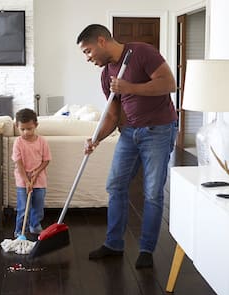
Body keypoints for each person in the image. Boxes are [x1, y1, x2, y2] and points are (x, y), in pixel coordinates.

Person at [76, 24, 178, 268]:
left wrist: (130, 88)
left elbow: (169, 84)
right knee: (115, 185)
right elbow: (112, 116)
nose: (88, 58)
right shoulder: (105, 75)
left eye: (88, 51)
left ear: (101, 41)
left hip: (159, 130)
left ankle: (146, 250)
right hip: (129, 132)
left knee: (153, 192)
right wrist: (96, 138)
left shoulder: (142, 52)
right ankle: (113, 244)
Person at [12, 108, 51, 240]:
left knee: (38, 207)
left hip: (39, 180)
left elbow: (46, 160)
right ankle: (19, 231)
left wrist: (37, 172)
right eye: (22, 129)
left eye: (29, 129)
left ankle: (35, 225)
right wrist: (27, 181)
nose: (26, 132)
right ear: (16, 126)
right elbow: (19, 164)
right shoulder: (18, 142)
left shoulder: (42, 141)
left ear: (36, 125)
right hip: (22, 180)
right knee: (23, 208)